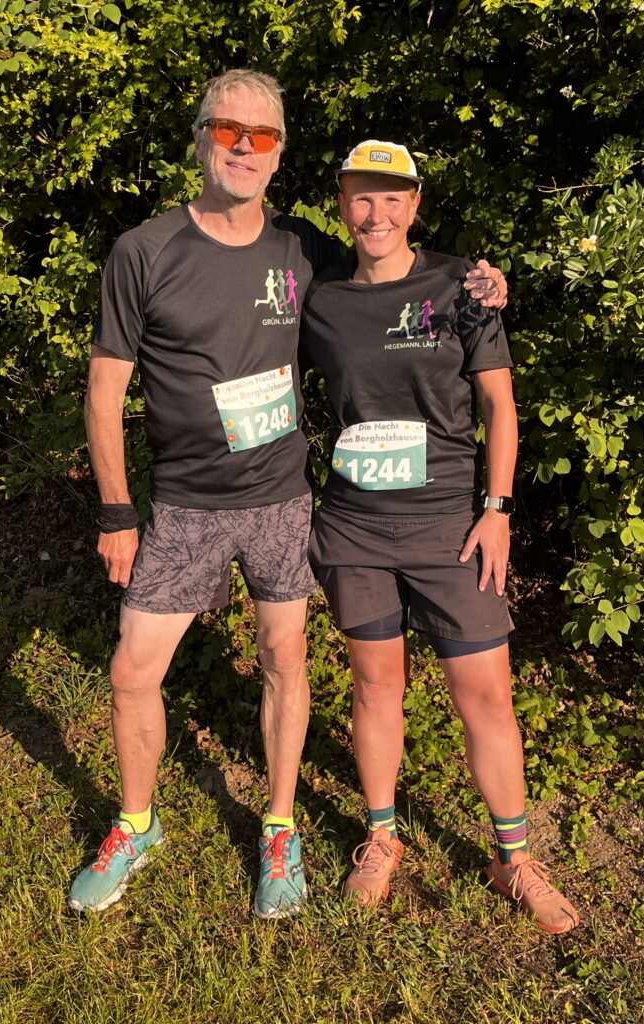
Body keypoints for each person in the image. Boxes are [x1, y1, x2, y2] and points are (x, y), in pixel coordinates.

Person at [67, 73, 507, 919]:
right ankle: (135, 822)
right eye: (229, 130)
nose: (243, 146)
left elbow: (396, 279)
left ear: (279, 156)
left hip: (279, 499)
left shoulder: (303, 250)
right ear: (200, 138)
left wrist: (481, 288)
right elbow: (103, 391)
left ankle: (279, 826)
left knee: (285, 661)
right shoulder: (144, 251)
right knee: (131, 670)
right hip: (184, 505)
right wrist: (118, 514)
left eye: (262, 136)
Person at [302, 141, 580, 934]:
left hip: (452, 529)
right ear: (342, 202)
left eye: (393, 198)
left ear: (415, 205)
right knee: (374, 687)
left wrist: (498, 508)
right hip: (354, 527)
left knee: (487, 697)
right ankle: (382, 837)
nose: (376, 213)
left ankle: (513, 860)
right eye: (361, 197)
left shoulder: (462, 287)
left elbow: (500, 407)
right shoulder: (320, 300)